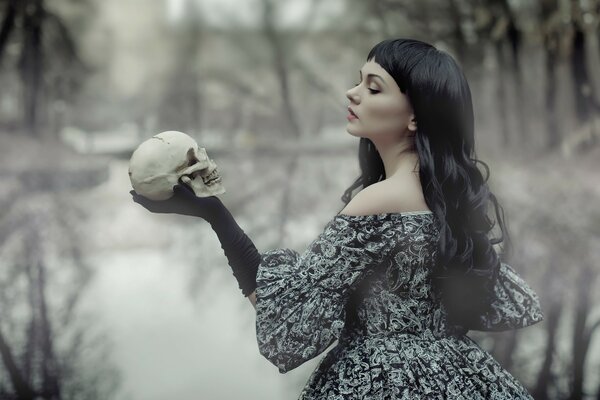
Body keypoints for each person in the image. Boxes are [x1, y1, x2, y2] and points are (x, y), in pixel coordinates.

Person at [131, 38, 544, 399]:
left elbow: (285, 325)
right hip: (461, 375)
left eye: (372, 87)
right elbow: (497, 303)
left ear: (415, 116)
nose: (352, 93)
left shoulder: (379, 201)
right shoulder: (447, 198)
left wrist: (215, 215)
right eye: (358, 80)